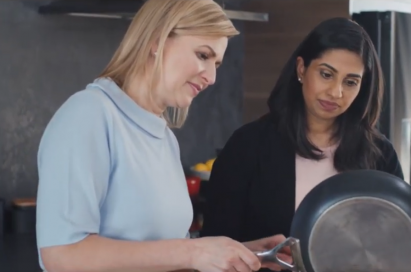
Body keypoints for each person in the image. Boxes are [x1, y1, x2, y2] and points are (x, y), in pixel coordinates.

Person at [35, 0, 293, 272]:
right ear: (157, 41)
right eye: (203, 55)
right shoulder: (89, 114)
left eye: (217, 63)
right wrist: (193, 251)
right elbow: (62, 255)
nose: (213, 77)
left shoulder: (164, 137)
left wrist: (242, 253)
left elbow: (166, 254)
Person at [200, 17, 404, 271]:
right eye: (326, 74)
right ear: (301, 69)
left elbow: (397, 243)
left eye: (350, 82)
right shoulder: (248, 146)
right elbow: (214, 243)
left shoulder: (380, 155)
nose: (336, 92)